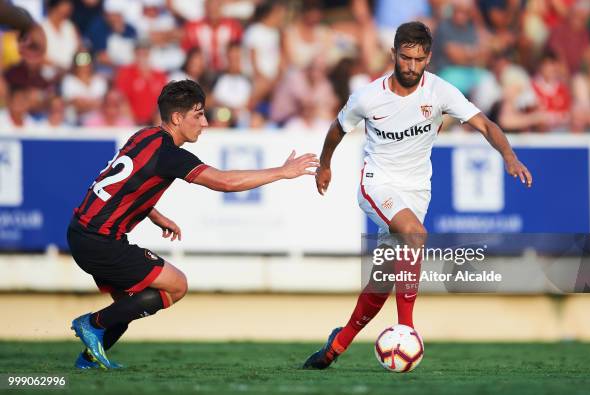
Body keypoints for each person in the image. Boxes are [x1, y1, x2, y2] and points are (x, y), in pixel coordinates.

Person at [302, 21, 532, 370]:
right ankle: (406, 329)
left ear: (428, 57)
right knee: (415, 235)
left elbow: (484, 123)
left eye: (419, 60)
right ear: (393, 54)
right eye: (405, 58)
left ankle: (335, 346)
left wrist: (509, 156)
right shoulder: (368, 96)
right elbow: (337, 129)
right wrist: (325, 165)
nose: (411, 67)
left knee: (382, 278)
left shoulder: (439, 92)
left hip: (417, 190)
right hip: (377, 183)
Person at [68, 79, 319, 369]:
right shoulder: (170, 155)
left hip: (81, 232)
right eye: (199, 115)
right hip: (101, 241)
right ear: (177, 118)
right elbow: (225, 182)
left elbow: (123, 184)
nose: (205, 123)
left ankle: (86, 361)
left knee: (128, 306)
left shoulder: (143, 136)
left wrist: (155, 214)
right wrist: (282, 172)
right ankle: (91, 323)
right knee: (176, 286)